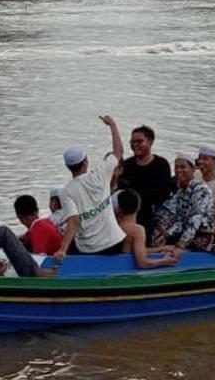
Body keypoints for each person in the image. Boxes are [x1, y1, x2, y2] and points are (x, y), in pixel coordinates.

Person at [53, 115, 129, 261]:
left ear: (68, 167)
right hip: (115, 244)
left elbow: (73, 221)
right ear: (85, 162)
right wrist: (112, 125)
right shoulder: (100, 173)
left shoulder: (66, 192)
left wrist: (62, 250)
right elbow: (118, 152)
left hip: (89, 250)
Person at [153, 154, 215, 253]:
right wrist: (165, 234)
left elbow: (196, 219)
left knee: (170, 251)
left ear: (193, 169)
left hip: (205, 235)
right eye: (176, 167)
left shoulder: (201, 190)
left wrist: (182, 243)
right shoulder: (180, 192)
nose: (179, 170)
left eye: (183, 167)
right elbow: (176, 218)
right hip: (188, 231)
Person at [117, 124, 173, 238]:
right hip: (128, 216)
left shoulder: (161, 165)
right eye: (132, 142)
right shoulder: (127, 165)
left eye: (139, 141)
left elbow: (163, 193)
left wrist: (135, 195)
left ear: (150, 142)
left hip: (152, 216)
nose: (135, 145)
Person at [116, 189, 179, 269]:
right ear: (138, 208)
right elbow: (143, 263)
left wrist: (161, 249)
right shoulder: (137, 230)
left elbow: (138, 250)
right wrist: (164, 261)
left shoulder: (115, 226)